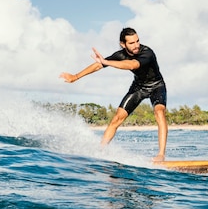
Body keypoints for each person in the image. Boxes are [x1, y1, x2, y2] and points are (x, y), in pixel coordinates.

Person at [59, 27, 168, 162]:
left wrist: (106, 62)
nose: (136, 45)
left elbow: (132, 65)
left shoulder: (147, 52)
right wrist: (75, 76)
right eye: (132, 43)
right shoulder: (120, 54)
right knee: (117, 118)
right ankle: (100, 151)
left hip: (157, 86)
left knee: (159, 112)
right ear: (123, 44)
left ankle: (161, 154)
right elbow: (98, 65)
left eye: (137, 41)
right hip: (139, 87)